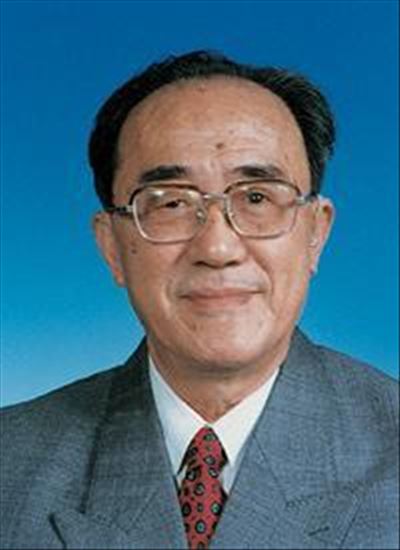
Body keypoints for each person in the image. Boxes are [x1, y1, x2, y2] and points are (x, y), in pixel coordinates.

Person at [0, 50, 398, 550]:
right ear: (112, 247)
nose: (217, 248)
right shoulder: (10, 465)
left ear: (315, 234)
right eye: (170, 202)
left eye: (256, 198)